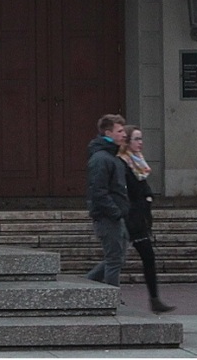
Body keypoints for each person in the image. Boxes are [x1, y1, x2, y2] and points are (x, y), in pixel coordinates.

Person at [118, 126, 175, 312]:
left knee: (140, 257)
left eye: (141, 138)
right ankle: (93, 281)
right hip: (132, 218)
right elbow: (132, 190)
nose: (140, 142)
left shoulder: (138, 162)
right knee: (119, 259)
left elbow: (144, 187)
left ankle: (154, 299)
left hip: (140, 218)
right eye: (136, 139)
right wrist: (144, 199)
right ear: (127, 142)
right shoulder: (123, 163)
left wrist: (148, 197)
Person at [85, 113, 130, 288]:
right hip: (107, 217)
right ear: (107, 133)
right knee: (114, 260)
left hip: (116, 216)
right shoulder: (101, 159)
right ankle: (112, 295)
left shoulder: (113, 157)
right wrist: (115, 211)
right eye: (119, 131)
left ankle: (87, 284)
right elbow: (98, 191)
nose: (124, 134)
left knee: (117, 258)